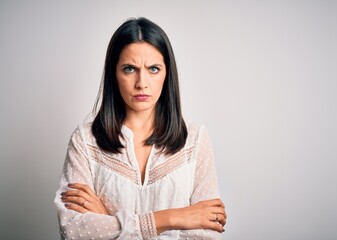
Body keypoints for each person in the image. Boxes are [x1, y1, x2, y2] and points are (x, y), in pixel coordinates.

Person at [54, 17, 227, 240]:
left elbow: (207, 235)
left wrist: (107, 218)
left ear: (167, 73)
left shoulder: (195, 141)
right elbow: (73, 230)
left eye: (154, 69)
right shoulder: (85, 141)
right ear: (114, 74)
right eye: (129, 69)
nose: (141, 82)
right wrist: (173, 218)